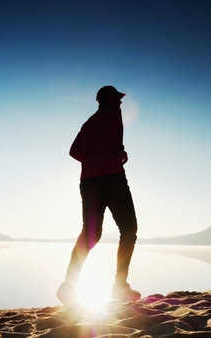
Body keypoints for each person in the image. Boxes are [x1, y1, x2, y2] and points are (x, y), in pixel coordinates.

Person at [57, 85, 140, 308]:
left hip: (89, 180)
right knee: (129, 228)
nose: (120, 102)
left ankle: (68, 286)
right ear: (108, 99)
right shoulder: (113, 112)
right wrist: (119, 153)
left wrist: (92, 159)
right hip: (112, 177)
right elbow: (115, 140)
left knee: (91, 234)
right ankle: (120, 286)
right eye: (117, 98)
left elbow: (73, 151)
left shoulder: (87, 124)